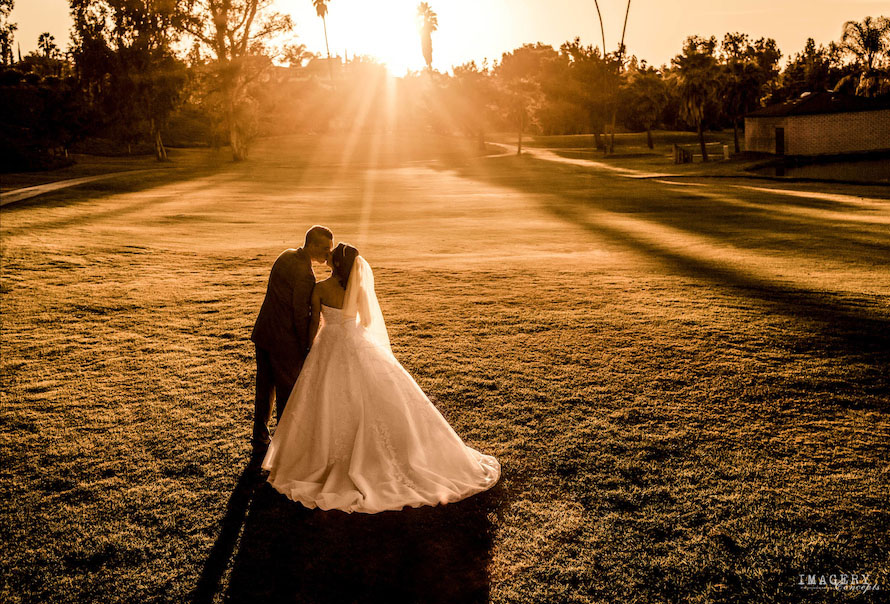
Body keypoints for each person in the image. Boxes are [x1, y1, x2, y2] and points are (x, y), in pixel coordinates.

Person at [262, 243, 500, 513]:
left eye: (331, 255)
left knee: (325, 399)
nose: (327, 257)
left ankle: (317, 459)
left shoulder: (320, 288)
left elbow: (315, 322)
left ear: (336, 264)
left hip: (328, 345)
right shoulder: (359, 289)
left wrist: (309, 347)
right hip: (355, 340)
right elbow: (366, 320)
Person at [250, 225, 333, 449]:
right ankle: (285, 445)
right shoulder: (306, 275)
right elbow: (299, 315)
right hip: (284, 342)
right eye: (325, 248)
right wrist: (306, 345)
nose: (328, 253)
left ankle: (260, 437)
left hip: (264, 332)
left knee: (264, 388)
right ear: (313, 245)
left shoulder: (285, 255)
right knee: (288, 394)